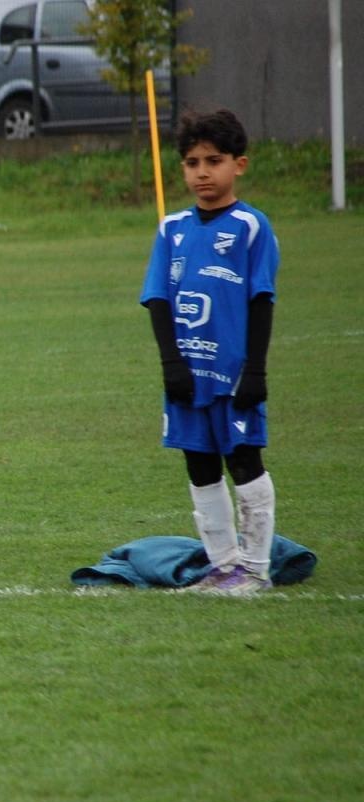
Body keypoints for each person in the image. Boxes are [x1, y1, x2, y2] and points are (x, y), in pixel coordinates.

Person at [140, 109, 280, 595]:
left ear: (238, 165)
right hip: (188, 375)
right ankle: (222, 566)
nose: (202, 172)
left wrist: (256, 372)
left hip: (232, 373)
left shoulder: (251, 227)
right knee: (199, 465)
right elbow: (157, 298)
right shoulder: (171, 229)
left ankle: (255, 569)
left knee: (243, 460)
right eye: (192, 162)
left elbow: (262, 301)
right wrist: (171, 365)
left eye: (213, 161)